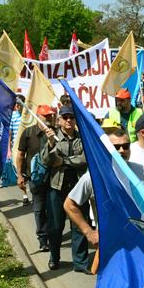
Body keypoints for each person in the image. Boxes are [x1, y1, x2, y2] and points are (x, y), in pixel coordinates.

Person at [64, 127, 144, 288]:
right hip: (113, 244)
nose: (122, 150)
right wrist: (89, 232)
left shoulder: (141, 172)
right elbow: (70, 204)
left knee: (143, 285)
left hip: (142, 239)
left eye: (126, 146)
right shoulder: (93, 176)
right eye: (117, 147)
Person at [40, 105, 88, 271]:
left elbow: (85, 159)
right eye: (65, 117)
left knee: (79, 225)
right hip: (57, 187)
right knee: (55, 226)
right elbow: (47, 161)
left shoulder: (82, 138)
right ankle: (54, 258)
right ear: (59, 120)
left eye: (71, 117)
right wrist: (51, 143)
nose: (68, 120)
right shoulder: (51, 137)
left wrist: (65, 161)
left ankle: (80, 262)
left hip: (78, 188)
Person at [17, 104, 56, 252]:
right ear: (37, 117)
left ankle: (53, 235)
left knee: (53, 209)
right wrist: (20, 175)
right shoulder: (28, 133)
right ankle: (43, 239)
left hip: (54, 177)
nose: (49, 118)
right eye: (46, 116)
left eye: (51, 115)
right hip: (35, 178)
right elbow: (20, 155)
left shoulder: (55, 133)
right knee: (39, 210)